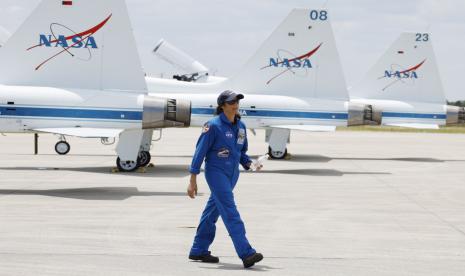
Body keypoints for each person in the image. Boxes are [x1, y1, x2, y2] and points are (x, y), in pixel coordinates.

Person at [187, 90, 263, 268]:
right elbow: (199, 153)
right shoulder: (212, 125)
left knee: (212, 212)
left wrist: (250, 164)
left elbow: (240, 152)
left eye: (237, 101)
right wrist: (192, 180)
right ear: (222, 106)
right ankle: (246, 253)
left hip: (232, 175)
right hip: (216, 173)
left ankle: (198, 249)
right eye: (231, 102)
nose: (235, 105)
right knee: (230, 211)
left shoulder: (241, 126)